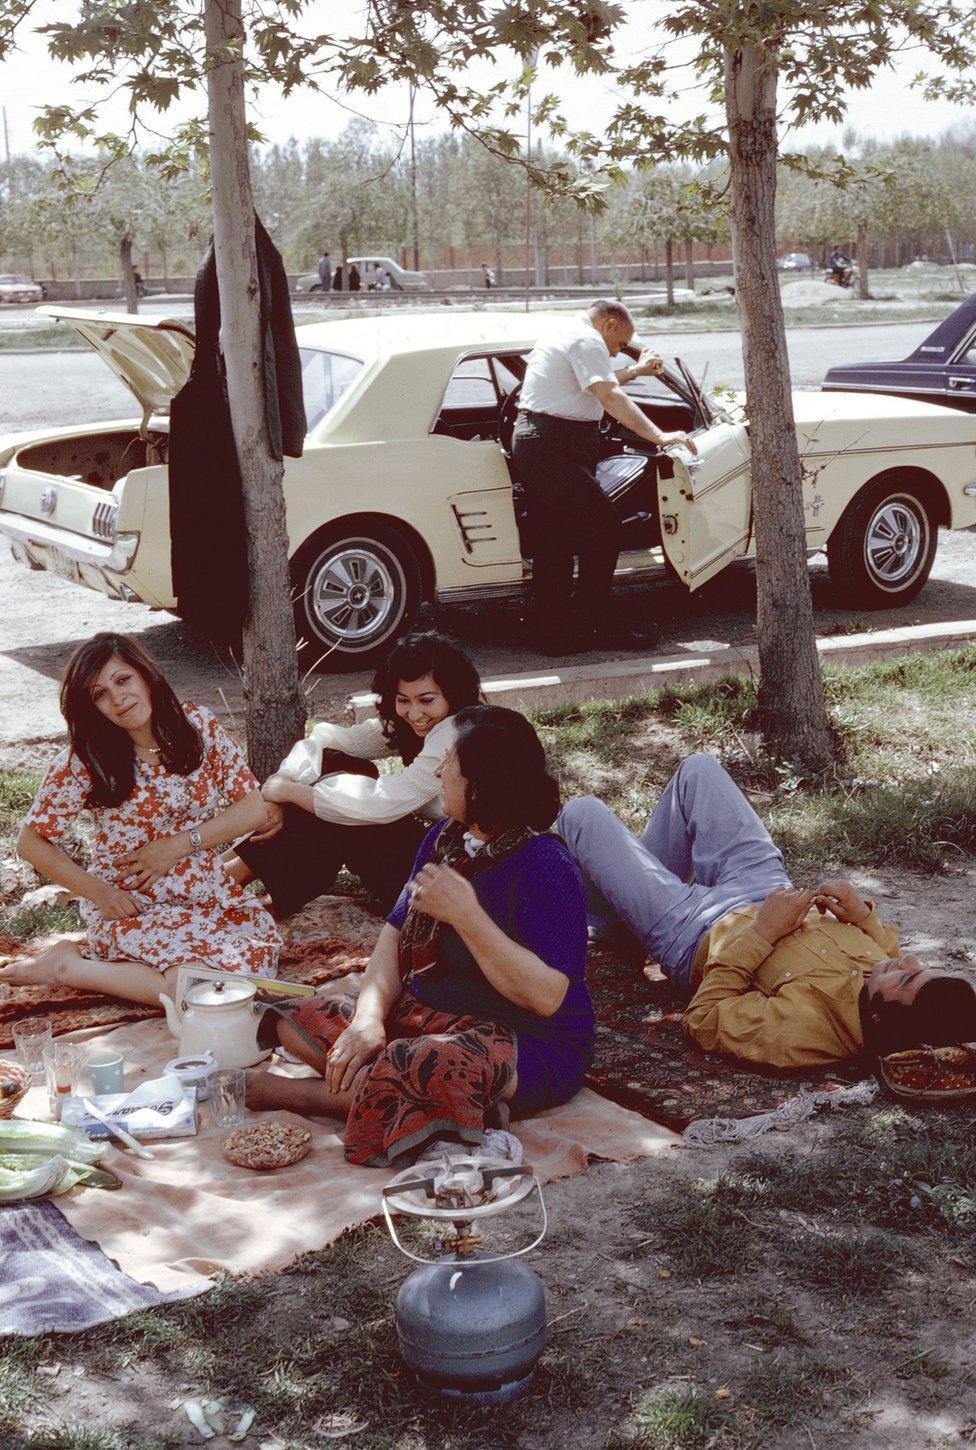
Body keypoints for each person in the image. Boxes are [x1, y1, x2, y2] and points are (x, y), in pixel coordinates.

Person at [246, 705, 594, 1166]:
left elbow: (546, 998)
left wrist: (467, 916)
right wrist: (368, 1021)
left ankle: (302, 1096)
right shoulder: (444, 839)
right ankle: (459, 1107)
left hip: (522, 1039)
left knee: (422, 1066)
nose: (439, 768)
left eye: (450, 759)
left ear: (482, 786)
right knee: (301, 1018)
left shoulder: (545, 866)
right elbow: (393, 935)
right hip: (431, 1016)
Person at [557, 754, 973, 1070]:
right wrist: (861, 916)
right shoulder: (890, 988)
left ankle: (622, 918)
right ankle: (626, 913)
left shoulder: (801, 1032)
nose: (907, 959)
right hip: (766, 885)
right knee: (698, 770)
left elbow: (703, 1020)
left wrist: (762, 935)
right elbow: (887, 946)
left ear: (880, 1016)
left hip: (693, 928)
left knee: (581, 814)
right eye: (921, 966)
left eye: (908, 975)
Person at [1, 633, 279, 1005]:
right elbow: (29, 841)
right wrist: (102, 894)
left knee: (254, 971)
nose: (117, 699)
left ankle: (123, 971)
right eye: (100, 694)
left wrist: (177, 846)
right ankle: (66, 967)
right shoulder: (86, 760)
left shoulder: (198, 726)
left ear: (145, 674)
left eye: (123, 680)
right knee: (193, 991)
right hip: (133, 903)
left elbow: (252, 808)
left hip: (207, 893)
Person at [225, 631, 483, 916]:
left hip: (458, 876)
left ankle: (222, 877)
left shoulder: (456, 733)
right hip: (433, 853)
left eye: (426, 699)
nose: (414, 712)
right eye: (403, 700)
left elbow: (380, 803)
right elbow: (325, 741)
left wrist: (290, 793)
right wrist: (281, 787)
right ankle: (226, 873)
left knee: (344, 810)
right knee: (340, 765)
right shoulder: (408, 724)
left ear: (453, 691)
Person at [511, 299, 698, 656]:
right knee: (604, 530)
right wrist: (659, 436)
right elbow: (608, 395)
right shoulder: (587, 340)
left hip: (541, 441)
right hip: (553, 445)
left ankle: (553, 632)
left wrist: (636, 371)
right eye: (618, 344)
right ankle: (596, 623)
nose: (616, 354)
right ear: (609, 325)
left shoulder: (565, 331)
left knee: (557, 539)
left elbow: (591, 384)